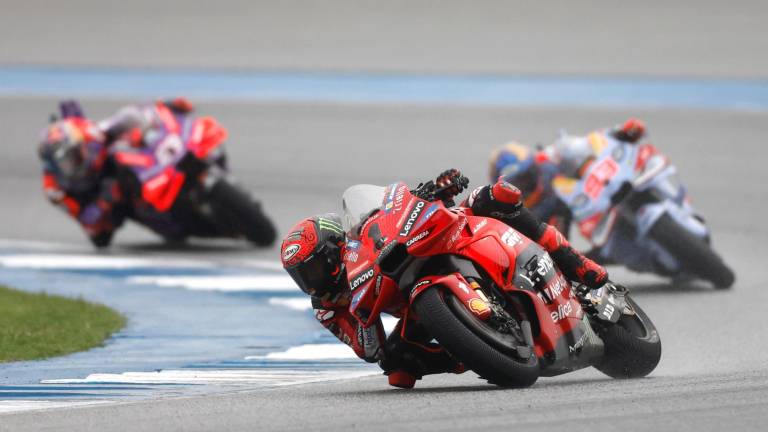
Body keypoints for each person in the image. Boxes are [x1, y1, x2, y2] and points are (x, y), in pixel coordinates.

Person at [280, 170, 608, 389]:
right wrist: (359, 312)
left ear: (333, 249)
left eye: (312, 270)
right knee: (397, 366)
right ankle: (479, 350)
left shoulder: (360, 238)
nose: (311, 281)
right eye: (300, 277)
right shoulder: (326, 306)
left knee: (495, 195)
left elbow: (393, 210)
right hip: (418, 307)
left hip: (455, 236)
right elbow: (369, 349)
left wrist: (436, 189)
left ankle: (577, 263)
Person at [37, 98, 201, 247]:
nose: (71, 165)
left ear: (83, 144)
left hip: (144, 166)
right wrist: (104, 201)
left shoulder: (94, 135)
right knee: (104, 233)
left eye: (74, 157)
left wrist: (166, 107)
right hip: (115, 202)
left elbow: (131, 116)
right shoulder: (55, 188)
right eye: (64, 163)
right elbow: (92, 230)